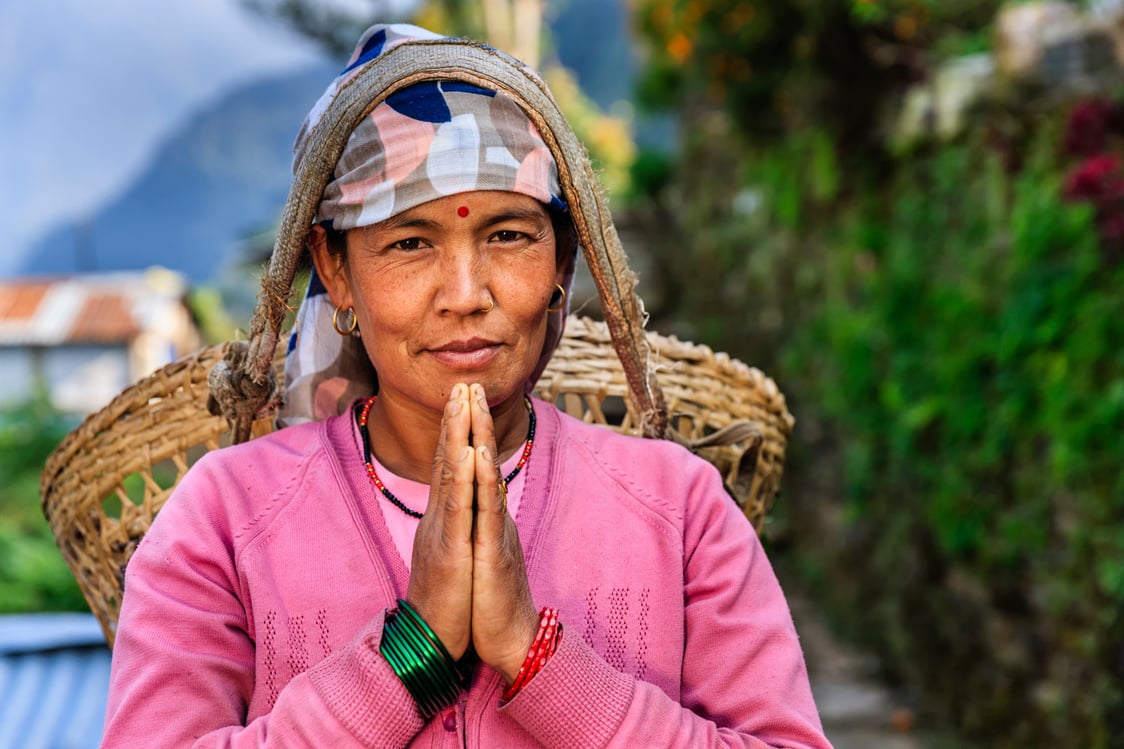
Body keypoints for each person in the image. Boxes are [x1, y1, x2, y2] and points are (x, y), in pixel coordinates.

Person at [101, 23, 833, 749]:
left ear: (561, 259)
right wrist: (410, 654)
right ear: (334, 270)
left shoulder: (680, 510)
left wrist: (536, 655)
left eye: (509, 234)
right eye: (410, 243)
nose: (464, 293)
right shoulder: (224, 521)